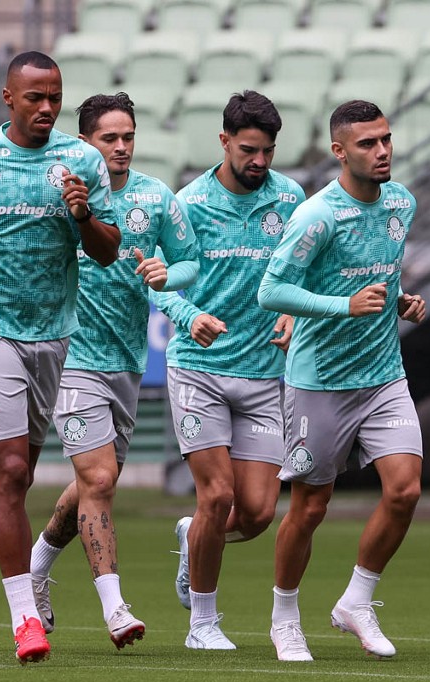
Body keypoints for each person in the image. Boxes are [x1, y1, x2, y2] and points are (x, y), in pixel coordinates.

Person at [0, 51, 121, 665]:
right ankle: (25, 619)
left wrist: (83, 214)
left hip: (53, 331)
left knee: (17, 475)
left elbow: (109, 252)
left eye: (55, 97)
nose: (46, 108)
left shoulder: (81, 161)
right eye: (34, 97)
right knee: (10, 474)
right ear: (8, 98)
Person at [25, 92, 198, 648]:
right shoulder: (57, 195)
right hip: (69, 359)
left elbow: (189, 259)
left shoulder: (156, 197)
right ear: (85, 143)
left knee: (91, 485)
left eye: (128, 137)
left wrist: (166, 275)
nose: (121, 148)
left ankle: (34, 568)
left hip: (126, 362)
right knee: (100, 480)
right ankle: (115, 606)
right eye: (109, 138)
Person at [258, 100, 427, 662]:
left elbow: (380, 275)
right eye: (367, 144)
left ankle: (357, 601)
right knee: (309, 508)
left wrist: (398, 301)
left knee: (404, 489)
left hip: (383, 376)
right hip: (319, 381)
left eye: (385, 140)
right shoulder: (316, 217)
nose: (382, 152)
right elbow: (272, 292)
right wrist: (344, 306)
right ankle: (285, 617)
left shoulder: (401, 203)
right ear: (339, 151)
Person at [151, 90, 304, 650]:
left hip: (265, 376)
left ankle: (195, 538)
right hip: (200, 370)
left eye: (266, 151)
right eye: (247, 150)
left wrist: (291, 311)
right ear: (223, 142)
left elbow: (302, 270)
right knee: (216, 496)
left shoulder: (289, 199)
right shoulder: (187, 204)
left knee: (259, 512)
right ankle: (202, 625)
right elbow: (160, 281)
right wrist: (190, 318)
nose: (259, 162)